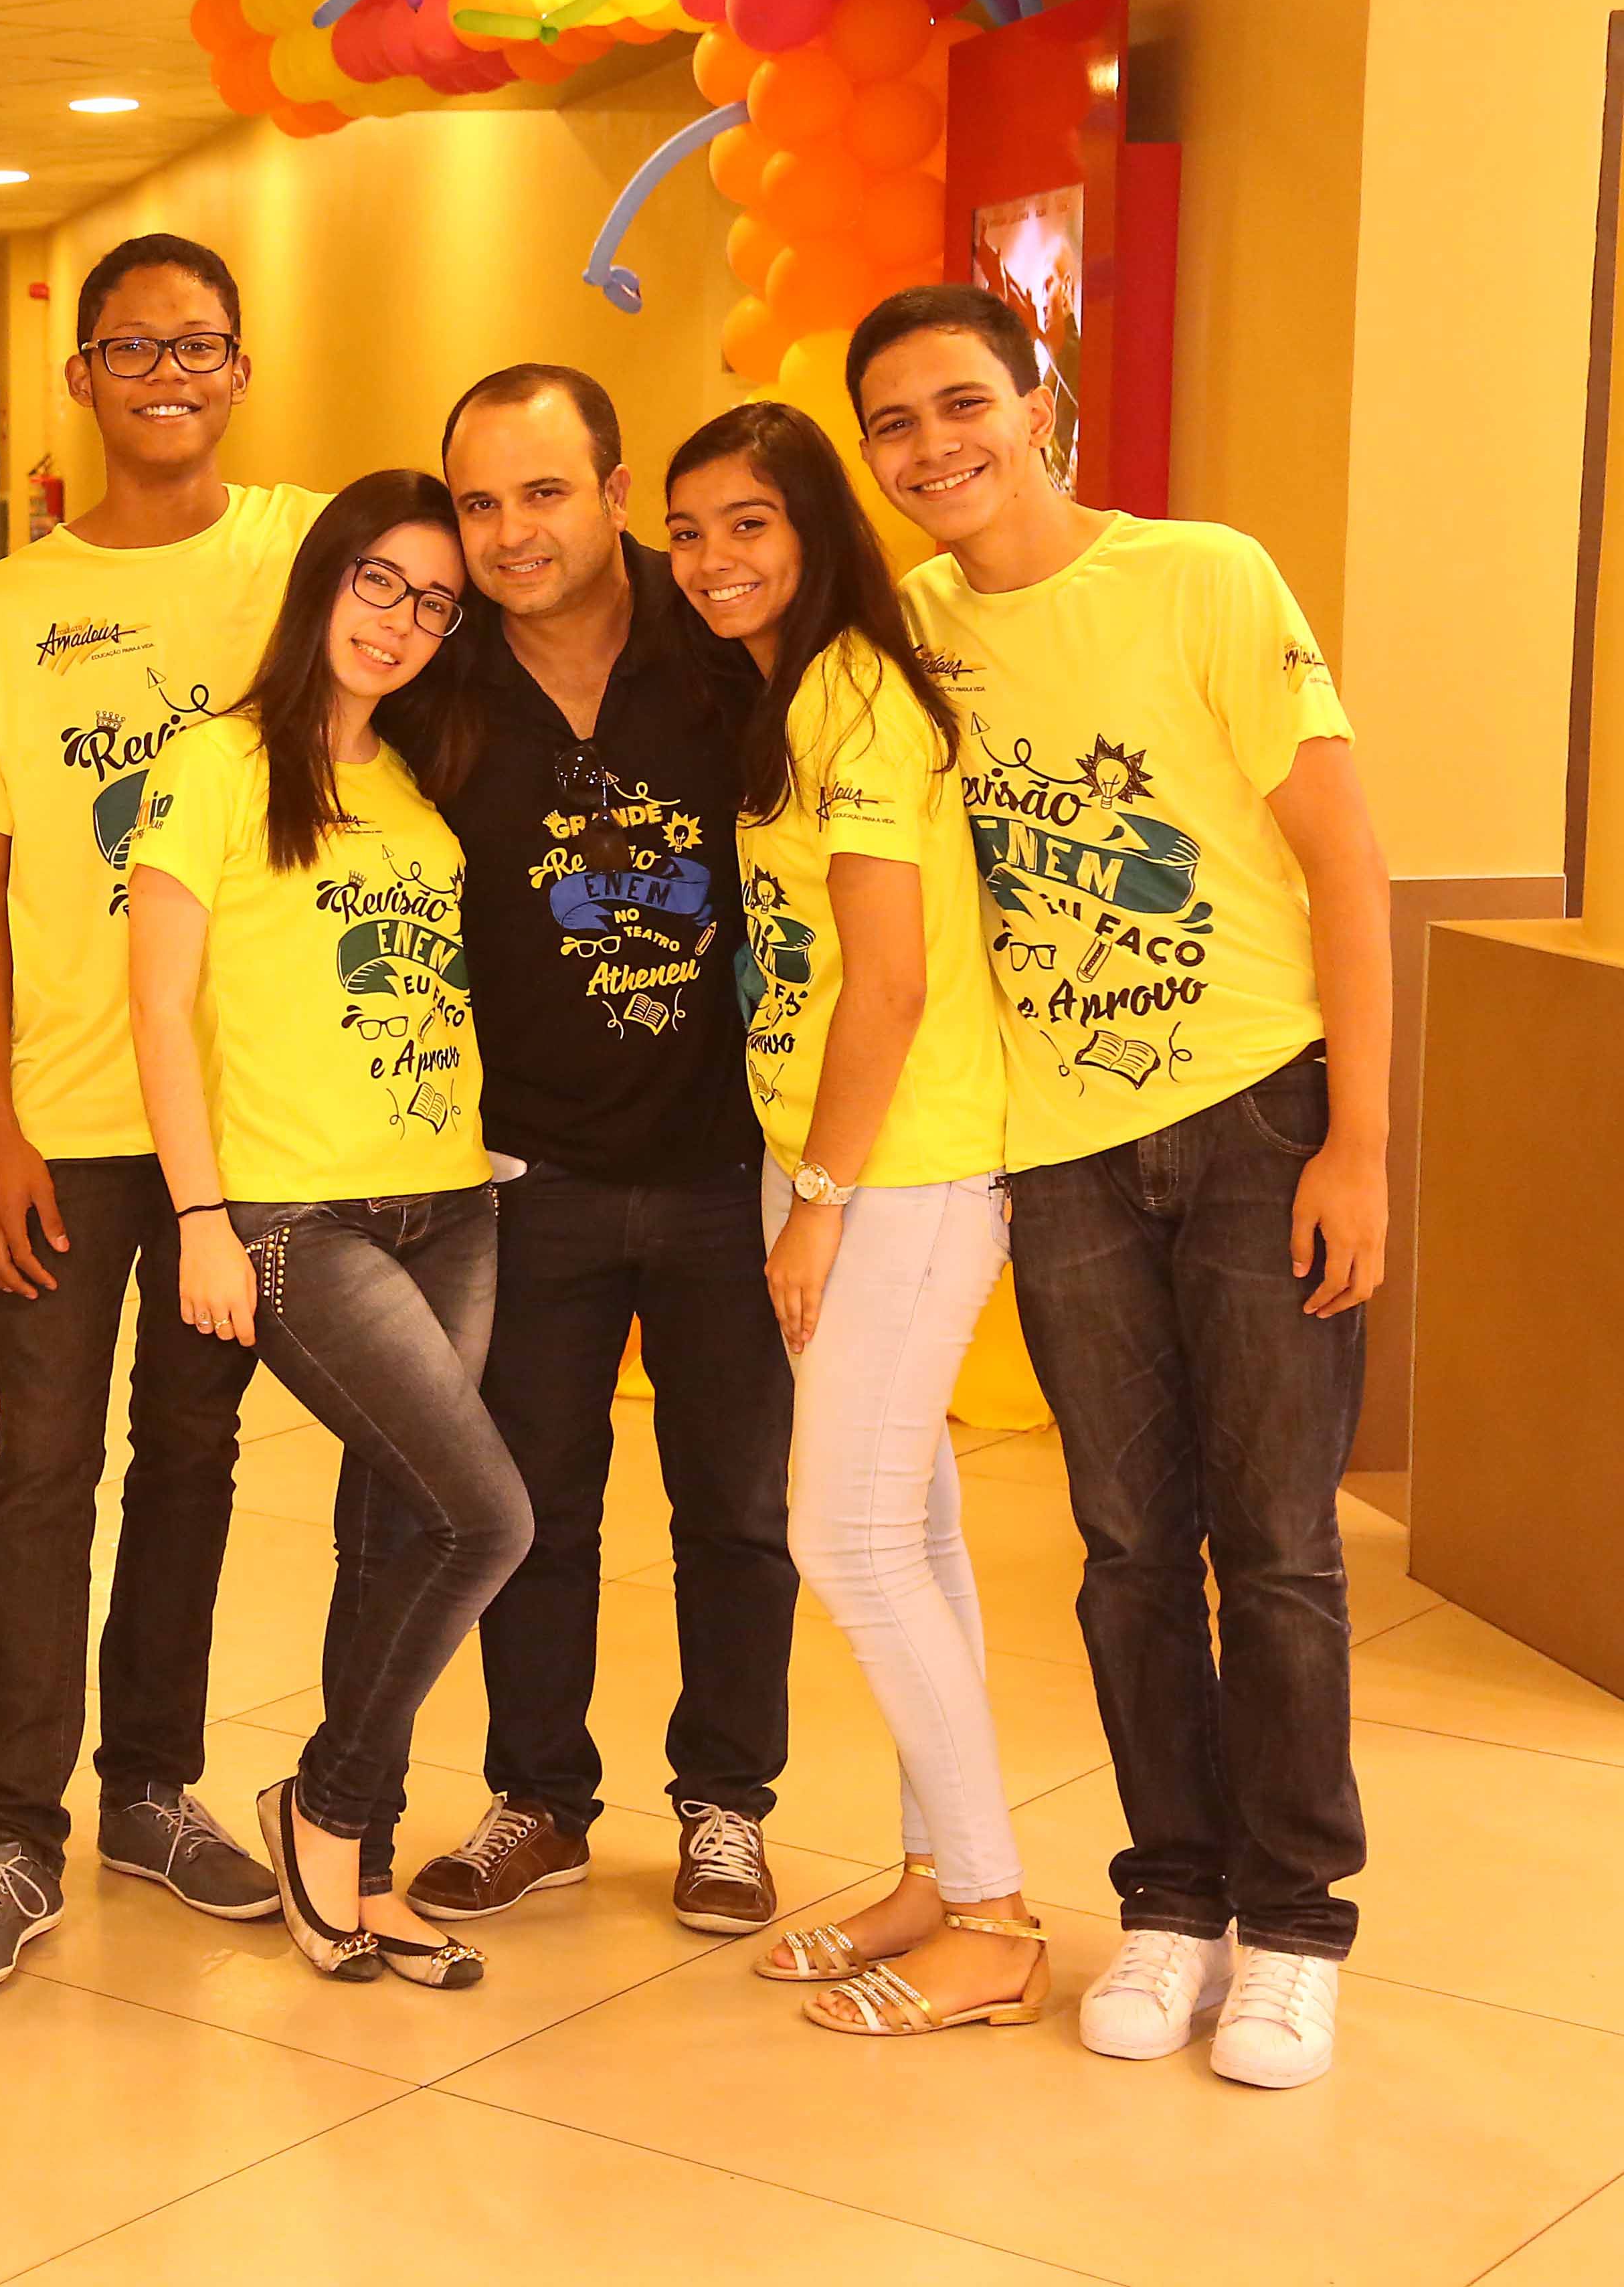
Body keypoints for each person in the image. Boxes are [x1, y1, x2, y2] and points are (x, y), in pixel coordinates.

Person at [855, 284, 1389, 2089]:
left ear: (1040, 403)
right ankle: (1172, 1901)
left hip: (1258, 1119)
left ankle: (1298, 1926)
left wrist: (1361, 1143)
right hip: (1065, 1149)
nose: (934, 447)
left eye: (963, 403)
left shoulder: (1205, 579)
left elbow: (1347, 866)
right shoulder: (904, 636)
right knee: (1128, 1549)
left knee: (1280, 1547)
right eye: (895, 423)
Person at [0, 234, 298, 1994]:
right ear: (81, 376)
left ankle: (151, 1788)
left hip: (243, 1125)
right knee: (42, 1469)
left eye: (197, 345)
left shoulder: (300, 559)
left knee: (196, 1459)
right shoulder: (5, 611)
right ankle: (13, 1830)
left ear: (241, 368)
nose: (166, 375)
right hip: (61, 1116)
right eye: (131, 347)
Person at [376, 363, 795, 1940]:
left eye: (544, 493)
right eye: (479, 502)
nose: (510, 534)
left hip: (723, 1170)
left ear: (617, 495)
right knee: (532, 1508)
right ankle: (539, 1798)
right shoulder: (436, 683)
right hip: (521, 1179)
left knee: (736, 1510)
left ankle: (727, 1804)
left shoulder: (728, 653)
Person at [660, 402, 1045, 2038]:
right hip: (828, 1157)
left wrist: (818, 1203)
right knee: (919, 1532)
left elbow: (887, 983)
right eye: (687, 532)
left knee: (848, 1539)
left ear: (817, 528)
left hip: (901, 1171)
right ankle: (935, 1875)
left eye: (748, 523)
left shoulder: (858, 695)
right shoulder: (791, 695)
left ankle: (998, 1921)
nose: (712, 560)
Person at [126, 470, 519, 1993]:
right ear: (324, 579)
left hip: (450, 1202)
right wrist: (202, 1220)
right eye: (380, 582)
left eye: (436, 604)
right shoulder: (217, 762)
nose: (403, 622)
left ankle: (348, 1862)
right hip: (296, 1213)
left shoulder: (418, 785)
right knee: (486, 1522)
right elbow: (160, 1006)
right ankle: (328, 1809)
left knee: (399, 1531)